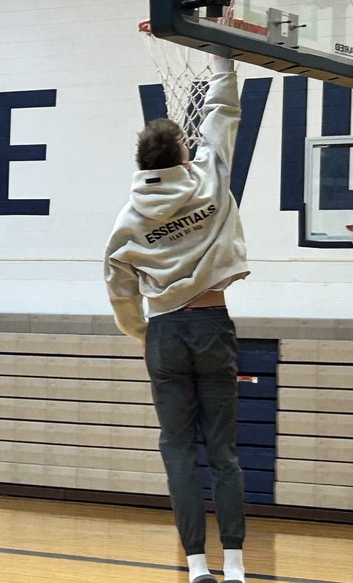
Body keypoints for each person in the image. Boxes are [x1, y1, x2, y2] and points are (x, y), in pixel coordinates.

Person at [104, 55, 249, 583]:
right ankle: (233, 563)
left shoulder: (128, 218)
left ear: (141, 164)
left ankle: (195, 565)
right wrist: (220, 50)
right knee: (224, 452)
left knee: (178, 451)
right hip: (211, 325)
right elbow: (221, 111)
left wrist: (142, 332)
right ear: (182, 154)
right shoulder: (208, 180)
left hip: (163, 333)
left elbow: (118, 287)